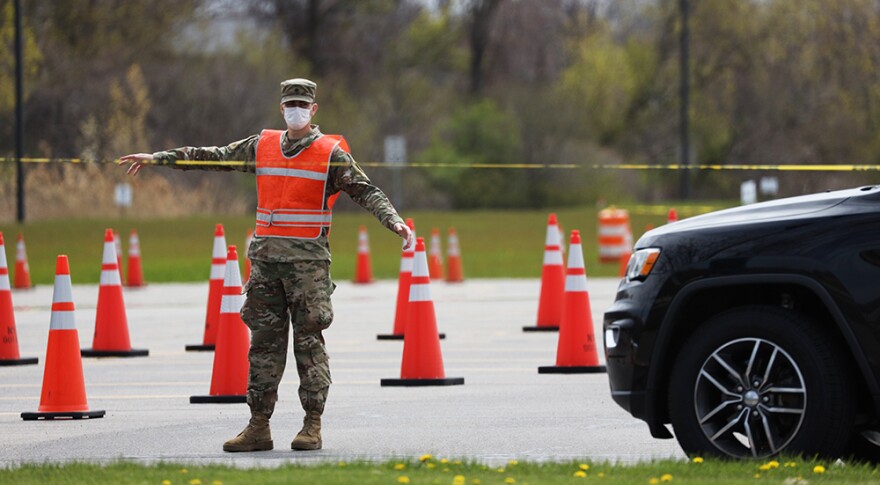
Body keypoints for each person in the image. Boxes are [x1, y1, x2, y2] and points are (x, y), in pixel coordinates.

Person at [119, 78, 413, 452]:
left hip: (308, 269)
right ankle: (258, 425)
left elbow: (365, 190)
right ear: (281, 107)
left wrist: (394, 221)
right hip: (265, 266)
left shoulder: (330, 153)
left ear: (313, 109)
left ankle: (312, 425)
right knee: (262, 346)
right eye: (290, 103)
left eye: (302, 104)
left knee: (309, 344)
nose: (296, 110)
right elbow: (214, 157)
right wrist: (159, 158)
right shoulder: (263, 146)